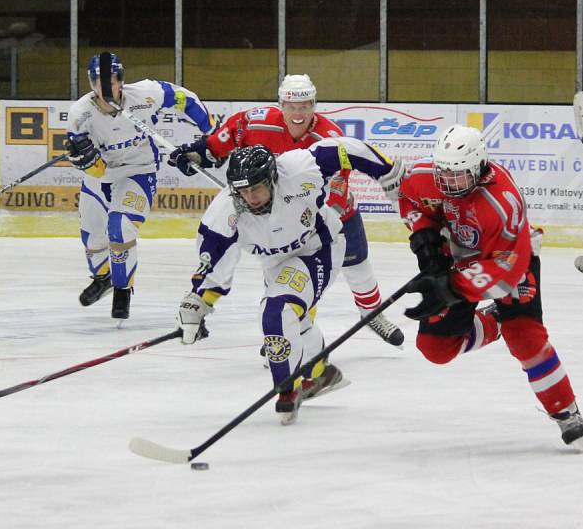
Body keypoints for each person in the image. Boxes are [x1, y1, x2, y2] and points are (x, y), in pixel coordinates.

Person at [176, 139, 403, 425]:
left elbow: (345, 150)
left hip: (320, 248)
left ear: (272, 178)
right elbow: (214, 262)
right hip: (277, 265)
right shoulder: (225, 212)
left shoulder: (298, 169)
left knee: (276, 313)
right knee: (295, 323)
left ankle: (287, 390)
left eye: (256, 188)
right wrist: (198, 302)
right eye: (243, 190)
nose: (251, 197)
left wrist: (387, 171)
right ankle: (320, 372)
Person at [168, 74, 405, 348]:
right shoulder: (257, 121)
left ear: (314, 105)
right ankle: (287, 328)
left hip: (325, 213)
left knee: (358, 268)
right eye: (291, 106)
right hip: (276, 215)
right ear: (281, 104)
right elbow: (224, 138)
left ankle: (372, 314)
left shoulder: (328, 136)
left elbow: (335, 191)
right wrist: (198, 154)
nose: (297, 112)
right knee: (283, 277)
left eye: (304, 105)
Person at [396, 124, 583, 449]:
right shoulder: (424, 175)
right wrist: (427, 244)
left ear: (478, 168)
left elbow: (505, 270)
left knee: (525, 338)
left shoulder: (502, 202)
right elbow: (412, 202)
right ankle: (494, 321)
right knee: (435, 349)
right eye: (443, 173)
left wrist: (448, 287)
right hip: (460, 261)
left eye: (456, 175)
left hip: (510, 259)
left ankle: (565, 409)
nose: (447, 182)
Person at [65, 51, 215, 320]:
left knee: (119, 227)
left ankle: (123, 288)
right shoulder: (80, 114)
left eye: (110, 80)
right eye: (99, 81)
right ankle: (104, 278)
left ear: (120, 80)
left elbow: (184, 98)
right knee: (92, 238)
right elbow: (94, 167)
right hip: (99, 178)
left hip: (138, 171)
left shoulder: (146, 95)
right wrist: (83, 158)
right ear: (91, 83)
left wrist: (210, 129)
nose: (105, 87)